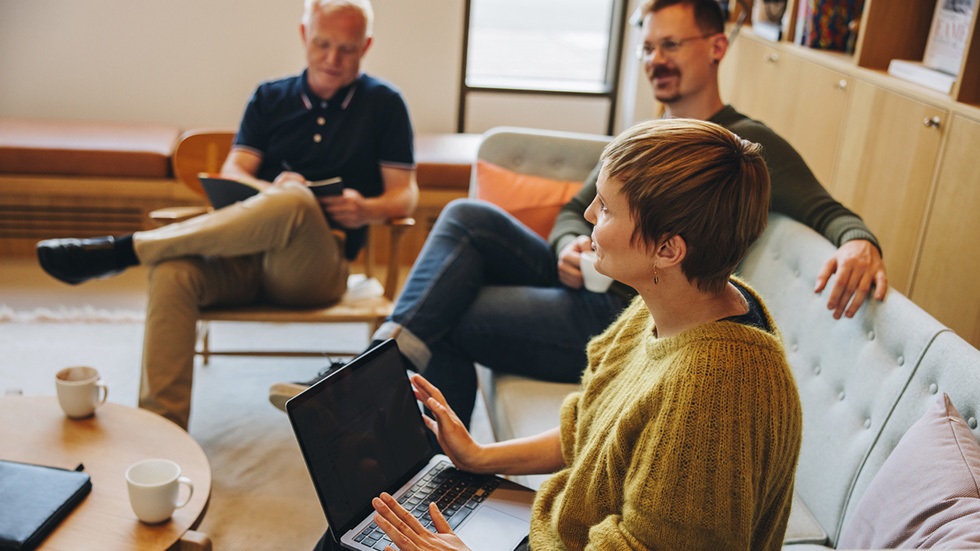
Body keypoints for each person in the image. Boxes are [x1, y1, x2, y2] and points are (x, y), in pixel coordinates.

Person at [269, 0, 886, 428]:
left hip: (621, 313)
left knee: (445, 316)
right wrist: (569, 243)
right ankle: (376, 370)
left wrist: (858, 242)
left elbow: (833, 213)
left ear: (717, 46)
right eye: (648, 47)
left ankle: (403, 436)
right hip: (586, 278)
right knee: (464, 216)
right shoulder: (644, 136)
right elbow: (573, 211)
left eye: (672, 44)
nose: (656, 59)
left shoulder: (741, 146)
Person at [362, 118, 803, 550]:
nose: (589, 214)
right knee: (373, 518)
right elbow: (590, 426)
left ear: (668, 250)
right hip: (553, 529)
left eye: (607, 208)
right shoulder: (673, 303)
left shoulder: (712, 397)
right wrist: (479, 455)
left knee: (372, 533)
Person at [35, 0, 417, 430]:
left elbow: (405, 196)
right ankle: (160, 432)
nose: (332, 59)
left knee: (296, 203)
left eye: (346, 49)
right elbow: (235, 171)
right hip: (243, 258)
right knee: (172, 272)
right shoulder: (270, 96)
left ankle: (126, 249)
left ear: (366, 45)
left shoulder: (385, 104)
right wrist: (274, 190)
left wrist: (365, 208)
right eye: (322, 44)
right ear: (302, 35)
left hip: (314, 270)